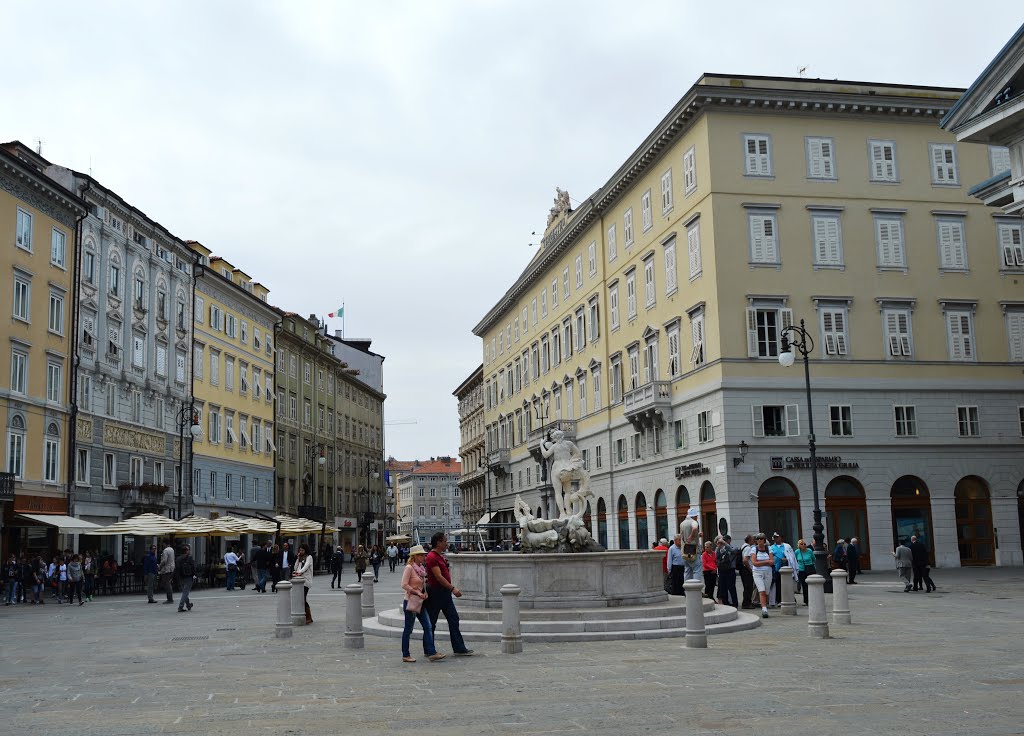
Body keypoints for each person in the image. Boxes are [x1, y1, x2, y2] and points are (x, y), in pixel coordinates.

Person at [424, 532, 474, 657]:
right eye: (445, 541)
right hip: (436, 593)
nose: (447, 543)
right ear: (439, 542)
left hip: (444, 593)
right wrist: (453, 589)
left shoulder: (440, 556)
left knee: (453, 618)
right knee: (432, 621)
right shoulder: (431, 557)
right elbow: (438, 577)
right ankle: (429, 649)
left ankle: (459, 647)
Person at [399, 544, 445, 663]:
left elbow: (421, 581)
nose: (424, 557)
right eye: (421, 555)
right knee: (408, 629)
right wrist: (416, 592)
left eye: (424, 555)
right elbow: (404, 584)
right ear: (414, 556)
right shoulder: (409, 568)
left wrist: (424, 590)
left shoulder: (421, 569)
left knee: (428, 626)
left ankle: (431, 652)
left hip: (421, 601)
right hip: (411, 601)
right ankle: (406, 654)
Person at [749, 533, 775, 618]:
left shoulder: (769, 548)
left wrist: (762, 563)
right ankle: (764, 609)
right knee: (762, 590)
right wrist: (766, 562)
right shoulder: (754, 549)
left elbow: (772, 561)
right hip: (757, 573)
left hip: (768, 572)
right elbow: (754, 563)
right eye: (758, 539)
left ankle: (764, 605)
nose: (759, 540)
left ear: (764, 540)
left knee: (767, 591)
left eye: (761, 539)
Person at [291, 543, 314, 624]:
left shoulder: (309, 557)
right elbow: (295, 567)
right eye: (300, 550)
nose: (301, 552)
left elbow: (306, 566)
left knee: (303, 598)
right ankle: (306, 616)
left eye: (303, 550)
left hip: (306, 581)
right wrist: (297, 558)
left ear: (306, 550)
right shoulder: (300, 557)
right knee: (301, 599)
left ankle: (309, 617)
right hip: (299, 581)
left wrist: (299, 572)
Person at [715, 535, 739, 608]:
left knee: (731, 587)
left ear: (729, 540)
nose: (723, 542)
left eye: (725, 540)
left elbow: (733, 551)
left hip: (730, 570)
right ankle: (725, 603)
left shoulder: (733, 547)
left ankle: (735, 604)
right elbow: (716, 557)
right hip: (722, 570)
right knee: (723, 588)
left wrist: (725, 544)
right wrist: (719, 546)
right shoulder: (720, 549)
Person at [679, 507, 702, 583]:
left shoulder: (682, 523)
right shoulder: (694, 522)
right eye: (696, 516)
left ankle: (687, 589)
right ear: (694, 516)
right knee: (697, 570)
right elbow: (695, 528)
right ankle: (696, 589)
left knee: (687, 570)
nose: (697, 517)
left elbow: (682, 536)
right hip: (694, 550)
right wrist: (691, 537)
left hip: (685, 551)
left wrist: (696, 535)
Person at [794, 539, 816, 605]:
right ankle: (806, 601)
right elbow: (795, 560)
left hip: (810, 569)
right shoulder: (797, 552)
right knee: (804, 585)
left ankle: (813, 599)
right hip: (802, 570)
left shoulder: (809, 551)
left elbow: (813, 559)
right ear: (799, 545)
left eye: (805, 544)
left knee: (812, 585)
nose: (803, 545)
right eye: (802, 544)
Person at [176, 544, 196, 612]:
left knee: (185, 591)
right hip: (188, 576)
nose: (189, 551)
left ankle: (188, 605)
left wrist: (177, 577)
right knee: (185, 592)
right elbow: (193, 567)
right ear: (186, 551)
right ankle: (180, 607)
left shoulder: (178, 559)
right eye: (188, 550)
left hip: (181, 577)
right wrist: (194, 574)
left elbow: (177, 569)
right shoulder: (189, 558)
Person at [739, 535, 756, 609]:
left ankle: (747, 602)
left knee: (747, 587)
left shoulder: (743, 546)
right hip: (746, 570)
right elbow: (745, 560)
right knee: (748, 587)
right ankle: (746, 603)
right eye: (753, 539)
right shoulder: (748, 548)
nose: (754, 541)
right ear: (749, 540)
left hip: (743, 570)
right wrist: (750, 569)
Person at [159, 540, 175, 604]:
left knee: (167, 584)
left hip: (166, 569)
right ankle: (170, 598)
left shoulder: (165, 551)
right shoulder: (172, 549)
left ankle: (169, 599)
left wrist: (160, 566)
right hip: (171, 568)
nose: (162, 545)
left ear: (165, 544)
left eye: (163, 544)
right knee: (168, 583)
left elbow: (164, 560)